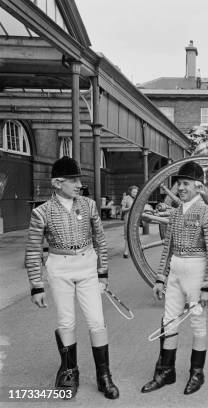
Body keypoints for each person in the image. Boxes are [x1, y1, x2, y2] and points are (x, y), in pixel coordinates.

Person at [24, 156, 119, 400]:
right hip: (59, 268)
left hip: (87, 266)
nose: (79, 184)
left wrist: (103, 272)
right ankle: (69, 371)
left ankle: (103, 375)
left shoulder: (88, 205)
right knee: (66, 321)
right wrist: (36, 286)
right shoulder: (41, 212)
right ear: (57, 182)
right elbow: (33, 250)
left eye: (79, 179)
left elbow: (100, 240)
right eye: (73, 180)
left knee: (97, 321)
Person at [141, 162, 208, 395]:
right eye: (179, 184)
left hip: (197, 271)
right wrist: (160, 277)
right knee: (169, 321)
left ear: (198, 186)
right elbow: (167, 248)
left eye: (185, 184)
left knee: (198, 322)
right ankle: (166, 372)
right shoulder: (176, 213)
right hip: (176, 271)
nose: (180, 188)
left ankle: (197, 373)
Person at [121, 185, 138, 258]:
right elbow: (122, 209)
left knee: (134, 235)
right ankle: (126, 251)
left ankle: (134, 251)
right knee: (127, 235)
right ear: (130, 192)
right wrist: (129, 208)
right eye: (134, 192)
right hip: (128, 218)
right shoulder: (126, 198)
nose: (135, 193)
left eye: (136, 192)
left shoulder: (138, 198)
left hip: (135, 219)